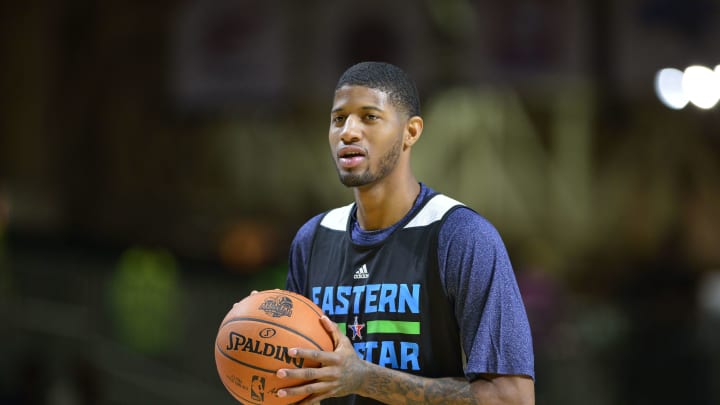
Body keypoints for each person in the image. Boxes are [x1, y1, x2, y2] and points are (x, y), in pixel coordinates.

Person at [278, 61, 535, 404]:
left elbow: (513, 398)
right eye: (339, 119)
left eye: (369, 117)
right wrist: (259, 335)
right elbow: (293, 380)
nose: (348, 132)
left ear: (411, 132)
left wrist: (365, 379)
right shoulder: (313, 239)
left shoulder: (462, 236)